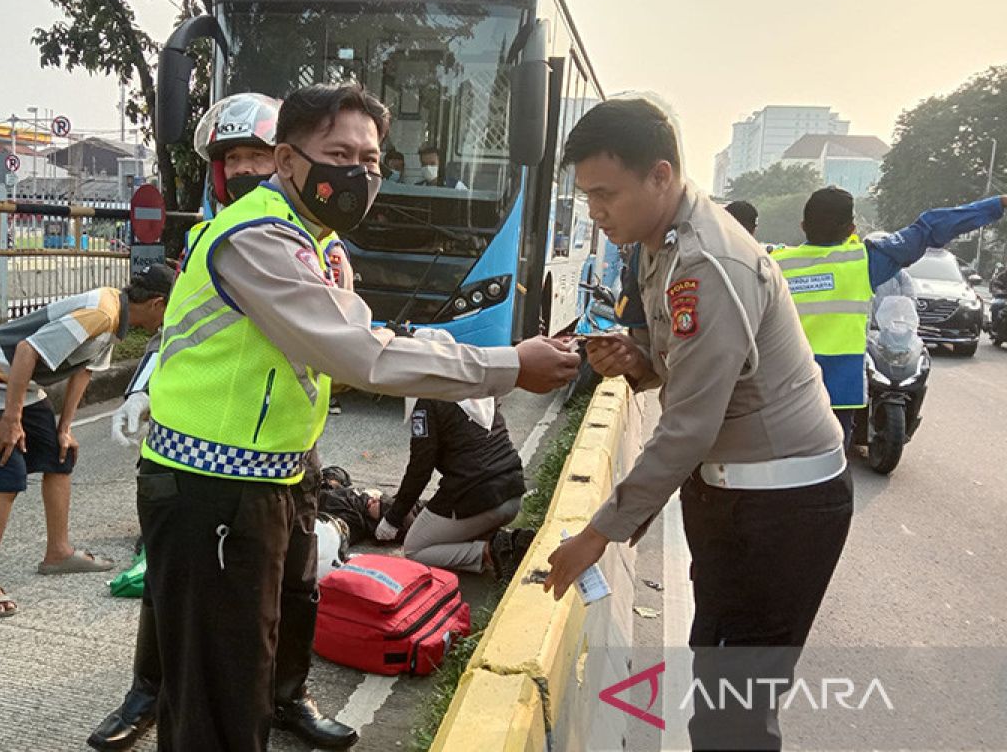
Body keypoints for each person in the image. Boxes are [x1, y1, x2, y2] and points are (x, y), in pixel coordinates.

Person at [138, 83, 580, 752]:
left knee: (257, 659)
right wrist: (508, 365)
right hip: (213, 490)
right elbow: (362, 355)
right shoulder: (256, 239)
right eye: (340, 153)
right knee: (217, 694)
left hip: (276, 477)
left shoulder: (309, 240)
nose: (359, 174)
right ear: (287, 160)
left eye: (372, 160)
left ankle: (282, 706)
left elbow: (370, 333)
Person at [544, 97, 852, 751]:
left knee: (734, 715)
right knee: (715, 686)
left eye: (605, 194)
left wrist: (596, 536)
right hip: (733, 494)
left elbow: (688, 426)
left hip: (782, 508)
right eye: (587, 197)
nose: (595, 213)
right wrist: (638, 355)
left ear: (660, 176)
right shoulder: (663, 242)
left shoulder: (708, 261)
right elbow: (690, 363)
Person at [94, 93, 357, 751]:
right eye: (230, 158)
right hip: (206, 456)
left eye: (255, 156)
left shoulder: (316, 243)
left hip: (288, 450)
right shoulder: (214, 235)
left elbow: (346, 337)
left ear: (285, 161)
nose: (242, 168)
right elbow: (185, 333)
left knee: (295, 583)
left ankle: (288, 695)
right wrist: (142, 388)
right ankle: (148, 693)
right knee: (175, 587)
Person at [0, 265, 174, 619]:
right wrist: (11, 419)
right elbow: (25, 351)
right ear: (158, 303)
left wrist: (65, 427)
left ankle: (58, 552)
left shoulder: (115, 320)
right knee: (8, 471)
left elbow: (84, 370)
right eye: (167, 313)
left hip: (13, 378)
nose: (163, 324)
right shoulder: (102, 311)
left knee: (59, 454)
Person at [772, 186, 1005, 447]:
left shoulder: (773, 265)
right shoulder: (864, 262)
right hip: (838, 394)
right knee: (828, 474)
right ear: (851, 229)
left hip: (782, 394)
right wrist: (997, 204)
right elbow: (929, 227)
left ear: (803, 225)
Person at [375, 330, 534, 578]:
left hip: (477, 498)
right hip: (512, 494)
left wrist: (392, 520)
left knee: (415, 548)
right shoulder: (478, 387)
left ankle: (488, 552)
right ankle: (499, 539)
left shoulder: (429, 399)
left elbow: (420, 468)